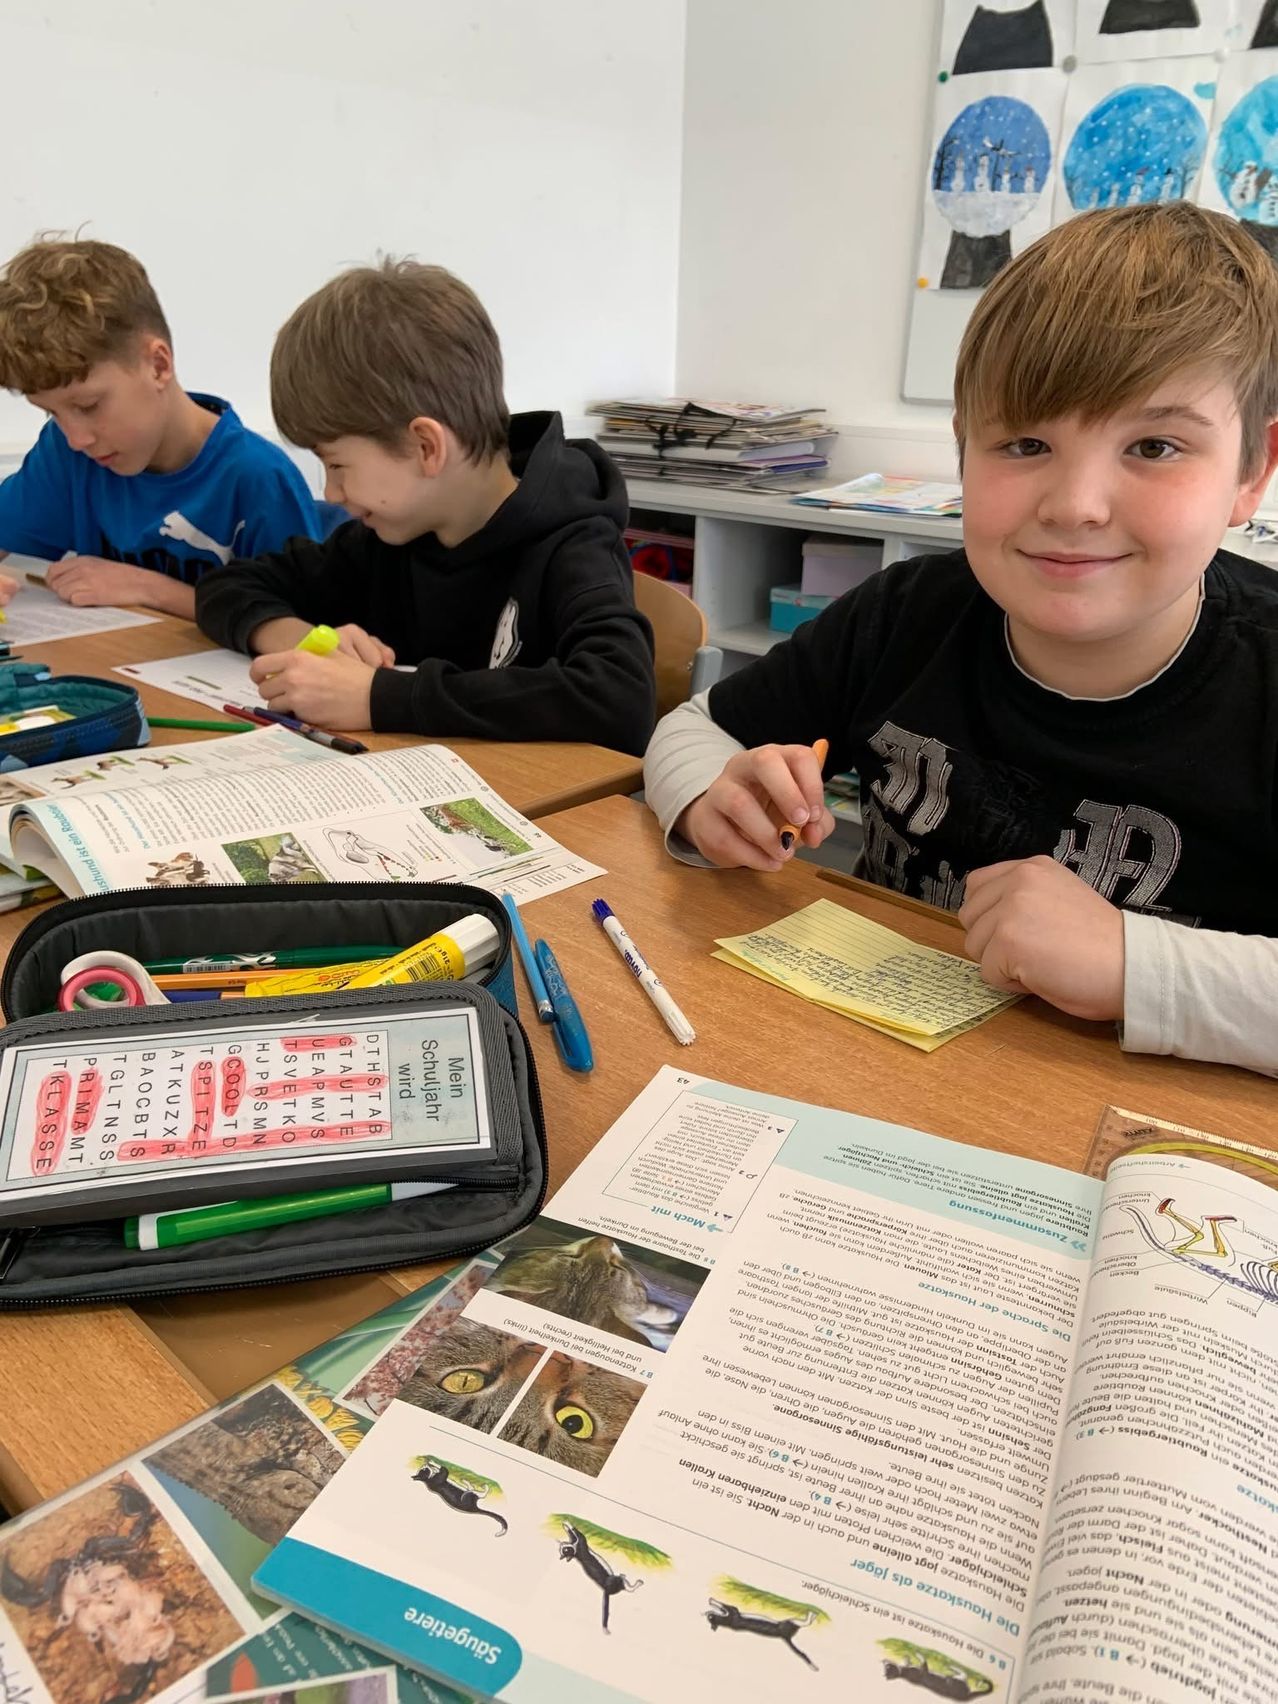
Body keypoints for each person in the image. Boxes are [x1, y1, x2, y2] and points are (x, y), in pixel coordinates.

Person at [643, 203, 1278, 1076]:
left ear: (1252, 472)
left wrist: (1137, 967)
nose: (1075, 505)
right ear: (964, 451)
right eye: (1025, 442)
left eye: (1156, 446)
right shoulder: (907, 612)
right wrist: (710, 794)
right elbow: (693, 726)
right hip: (867, 1066)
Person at [195, 260, 655, 756]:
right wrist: (311, 643)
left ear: (426, 447)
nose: (331, 493)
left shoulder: (572, 542)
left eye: (337, 465)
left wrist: (379, 697)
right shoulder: (387, 539)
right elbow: (227, 587)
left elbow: (620, 700)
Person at [0, 237, 322, 620]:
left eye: (88, 406)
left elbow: (305, 630)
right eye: (51, 413)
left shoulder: (258, 478)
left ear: (158, 366)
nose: (76, 437)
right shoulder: (67, 454)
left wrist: (151, 589)